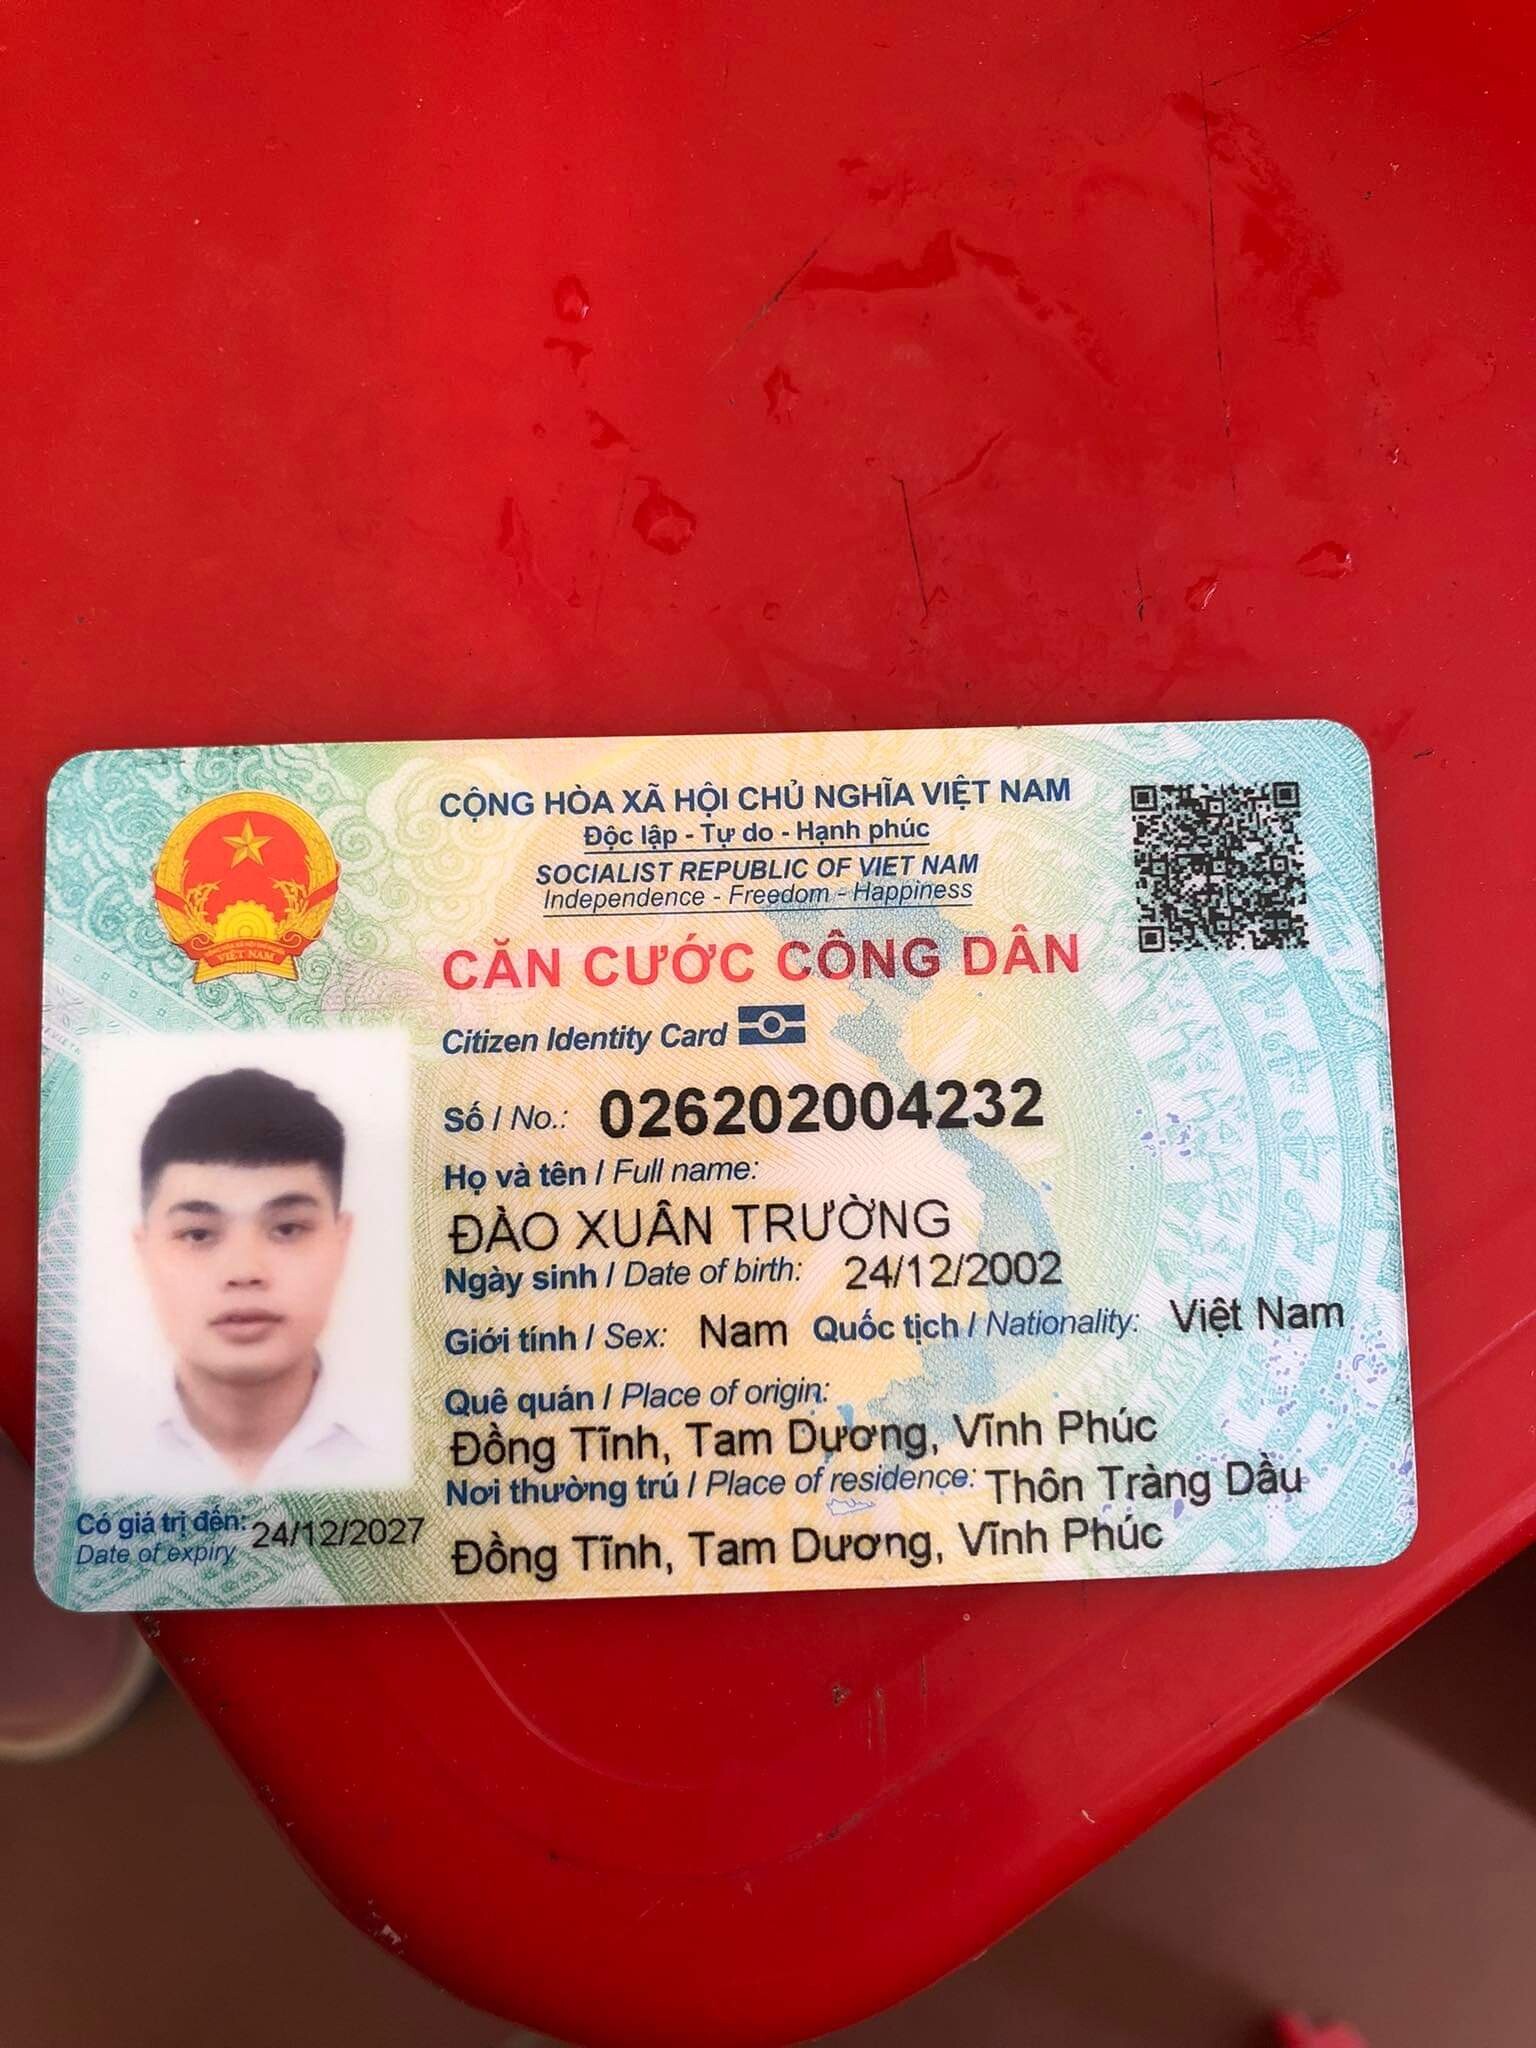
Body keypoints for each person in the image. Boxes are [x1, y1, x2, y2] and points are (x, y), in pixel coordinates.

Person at [132, 1066, 370, 1491]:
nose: (244, 1272)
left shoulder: (410, 1452)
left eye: (288, 1229)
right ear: (144, 1251)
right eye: (198, 1234)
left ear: (342, 1242)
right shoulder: (94, 1458)